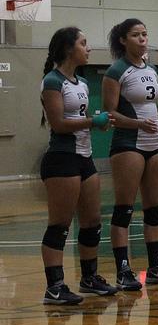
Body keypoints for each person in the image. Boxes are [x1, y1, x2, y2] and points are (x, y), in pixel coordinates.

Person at [103, 18, 158, 290]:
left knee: (154, 208)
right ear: (123, 40)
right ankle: (123, 270)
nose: (142, 39)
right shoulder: (116, 71)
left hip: (154, 144)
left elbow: (154, 107)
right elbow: (109, 114)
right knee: (125, 209)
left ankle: (156, 265)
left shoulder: (152, 70)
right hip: (128, 144)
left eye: (145, 34)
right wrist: (138, 124)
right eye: (136, 35)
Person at [40, 27, 117, 304]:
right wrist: (91, 122)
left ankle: (89, 277)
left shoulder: (81, 83)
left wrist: (99, 122)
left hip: (85, 157)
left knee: (92, 222)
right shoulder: (52, 81)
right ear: (68, 48)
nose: (89, 48)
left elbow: (81, 120)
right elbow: (59, 124)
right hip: (61, 159)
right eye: (84, 43)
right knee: (59, 224)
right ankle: (55, 286)